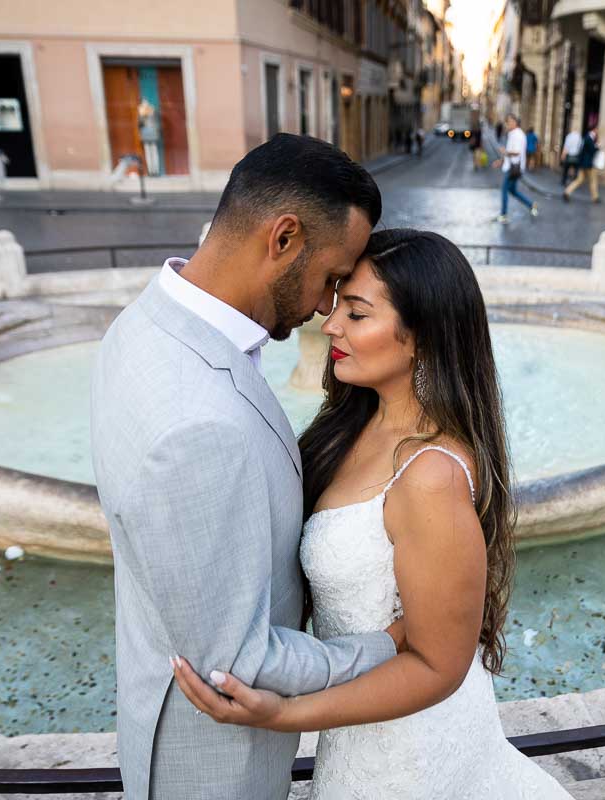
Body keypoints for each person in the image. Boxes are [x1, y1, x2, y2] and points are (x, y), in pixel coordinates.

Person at [173, 228, 573, 799]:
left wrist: (284, 714)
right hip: (353, 736)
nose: (330, 324)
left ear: (421, 338)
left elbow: (439, 666)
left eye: (356, 314)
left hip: (411, 761)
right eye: (337, 304)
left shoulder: (430, 476)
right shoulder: (350, 427)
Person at [90, 133, 405, 800]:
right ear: (283, 239)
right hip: (214, 765)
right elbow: (237, 661)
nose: (326, 308)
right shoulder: (199, 425)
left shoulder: (141, 325)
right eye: (329, 279)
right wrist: (389, 646)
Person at [492, 113, 538, 224]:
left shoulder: (518, 135)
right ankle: (531, 205)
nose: (507, 125)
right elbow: (511, 152)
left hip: (514, 168)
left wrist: (505, 152)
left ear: (514, 122)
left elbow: (516, 152)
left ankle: (503, 215)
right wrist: (501, 161)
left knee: (504, 190)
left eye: (508, 122)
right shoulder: (513, 134)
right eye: (506, 122)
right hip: (513, 167)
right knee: (513, 191)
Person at [563, 126, 600, 203]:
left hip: (583, 163)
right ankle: (595, 197)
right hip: (588, 164)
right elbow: (592, 150)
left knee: (579, 179)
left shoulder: (585, 137)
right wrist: (598, 146)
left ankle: (567, 191)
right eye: (597, 129)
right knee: (593, 180)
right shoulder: (589, 138)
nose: (598, 131)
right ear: (594, 130)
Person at [137, 97, 162, 177]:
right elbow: (139, 125)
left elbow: (157, 122)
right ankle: (150, 171)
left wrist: (157, 132)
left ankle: (156, 170)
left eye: (145, 102)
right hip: (145, 134)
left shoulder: (153, 110)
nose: (145, 104)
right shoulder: (141, 112)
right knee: (148, 152)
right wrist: (141, 115)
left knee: (154, 152)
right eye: (143, 102)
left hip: (153, 133)